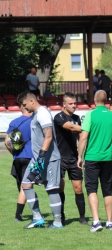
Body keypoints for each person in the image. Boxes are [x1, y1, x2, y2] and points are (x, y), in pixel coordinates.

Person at [18, 91, 62, 229]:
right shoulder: (36, 114)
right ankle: (37, 218)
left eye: (25, 104)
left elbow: (48, 136)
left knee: (51, 189)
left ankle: (57, 222)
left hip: (49, 159)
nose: (24, 108)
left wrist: (42, 156)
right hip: (37, 159)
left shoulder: (42, 113)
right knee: (26, 183)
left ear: (32, 101)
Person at [77, 90, 112, 232]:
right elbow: (111, 135)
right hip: (107, 157)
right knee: (108, 190)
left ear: (94, 99)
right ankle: (110, 222)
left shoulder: (90, 114)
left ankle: (96, 221)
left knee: (92, 189)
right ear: (106, 100)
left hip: (92, 157)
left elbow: (83, 137)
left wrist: (80, 156)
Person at [54, 92, 87, 226]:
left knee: (78, 188)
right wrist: (89, 128)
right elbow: (71, 127)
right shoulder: (59, 117)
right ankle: (61, 216)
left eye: (75, 103)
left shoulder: (77, 118)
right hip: (60, 158)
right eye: (71, 103)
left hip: (74, 158)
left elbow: (80, 138)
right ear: (64, 104)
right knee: (60, 188)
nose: (74, 106)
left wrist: (80, 155)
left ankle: (82, 217)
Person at [4, 104, 33, 222]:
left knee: (22, 185)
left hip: (17, 158)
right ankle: (18, 215)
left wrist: (14, 155)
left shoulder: (14, 122)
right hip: (30, 157)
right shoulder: (33, 121)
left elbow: (6, 142)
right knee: (26, 186)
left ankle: (31, 212)